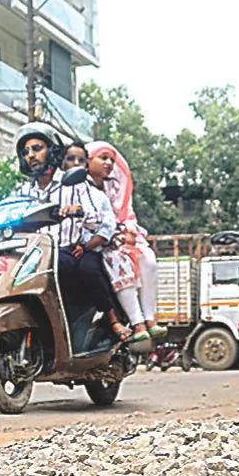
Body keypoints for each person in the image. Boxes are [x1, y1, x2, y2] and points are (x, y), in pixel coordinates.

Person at [13, 123, 118, 324]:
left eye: (37, 149)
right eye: (26, 152)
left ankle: (99, 319)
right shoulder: (23, 191)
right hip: (32, 255)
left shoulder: (73, 182)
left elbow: (96, 218)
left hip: (66, 251)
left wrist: (77, 210)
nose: (31, 156)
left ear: (52, 151)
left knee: (69, 266)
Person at [63, 144, 148, 343]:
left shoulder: (97, 196)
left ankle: (113, 318)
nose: (75, 164)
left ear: (86, 165)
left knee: (89, 269)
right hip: (56, 249)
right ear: (62, 162)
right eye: (70, 159)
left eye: (80, 160)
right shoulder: (53, 190)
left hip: (87, 249)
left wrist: (86, 246)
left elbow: (107, 227)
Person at [85, 141, 163, 340]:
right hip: (96, 243)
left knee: (148, 258)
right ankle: (137, 323)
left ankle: (150, 318)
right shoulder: (80, 188)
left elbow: (126, 213)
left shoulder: (115, 185)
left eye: (111, 159)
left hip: (121, 236)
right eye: (103, 158)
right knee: (118, 262)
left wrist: (128, 231)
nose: (109, 163)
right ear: (88, 161)